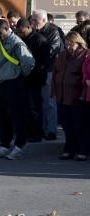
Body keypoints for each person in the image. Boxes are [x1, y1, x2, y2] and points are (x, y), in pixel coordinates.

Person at [0, 19, 34, 160]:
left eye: (0, 32)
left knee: (16, 115)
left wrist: (19, 74)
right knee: (2, 116)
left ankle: (19, 146)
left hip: (13, 83)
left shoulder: (16, 43)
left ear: (7, 29)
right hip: (0, 84)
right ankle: (4, 145)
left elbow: (28, 61)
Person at [52, 32, 90, 161]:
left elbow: (86, 76)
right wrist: (54, 92)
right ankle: (69, 150)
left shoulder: (85, 55)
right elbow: (55, 74)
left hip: (77, 98)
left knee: (80, 126)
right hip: (62, 96)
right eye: (66, 44)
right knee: (67, 126)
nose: (68, 47)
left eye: (71, 44)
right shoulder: (62, 56)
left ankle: (82, 150)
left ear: (78, 43)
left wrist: (83, 95)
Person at [15, 19, 49, 143]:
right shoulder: (21, 39)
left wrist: (31, 71)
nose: (20, 33)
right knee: (26, 107)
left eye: (22, 31)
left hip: (35, 79)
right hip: (24, 78)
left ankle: (37, 133)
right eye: (19, 32)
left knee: (34, 106)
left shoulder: (40, 40)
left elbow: (43, 61)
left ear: (29, 27)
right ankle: (28, 131)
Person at [31, 9, 62, 141]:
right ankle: (41, 129)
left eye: (35, 20)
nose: (33, 22)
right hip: (35, 71)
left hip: (48, 70)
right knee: (39, 102)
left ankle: (51, 130)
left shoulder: (53, 31)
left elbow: (51, 51)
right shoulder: (33, 32)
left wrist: (34, 58)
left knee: (49, 102)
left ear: (44, 20)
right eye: (32, 20)